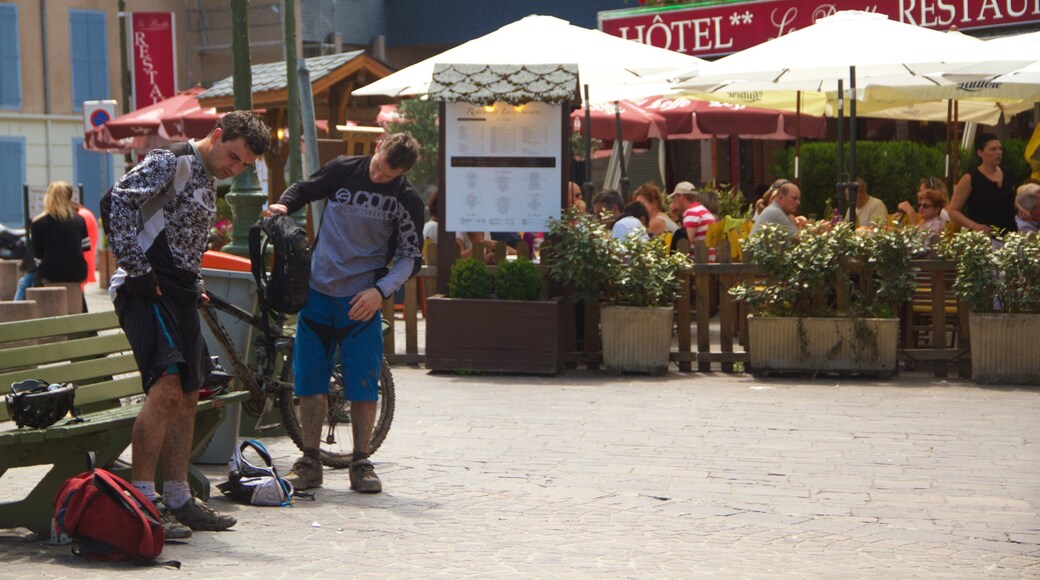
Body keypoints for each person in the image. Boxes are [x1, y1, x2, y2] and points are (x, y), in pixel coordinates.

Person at [107, 111, 271, 538]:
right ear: (216, 136)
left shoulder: (208, 178)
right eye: (232, 157)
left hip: (179, 291)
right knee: (164, 387)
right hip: (145, 289)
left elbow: (184, 242)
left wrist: (195, 282)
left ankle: (179, 496)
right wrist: (136, 267)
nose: (234, 169)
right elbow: (117, 200)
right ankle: (144, 500)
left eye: (243, 166)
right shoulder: (172, 161)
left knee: (188, 392)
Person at [269, 132, 424, 494]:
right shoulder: (343, 170)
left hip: (361, 301)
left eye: (390, 176)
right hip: (318, 294)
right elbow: (304, 190)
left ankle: (361, 462)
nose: (380, 178)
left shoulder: (406, 199)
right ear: (376, 148)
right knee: (309, 382)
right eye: (380, 168)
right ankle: (309, 460)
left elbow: (411, 257)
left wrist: (380, 291)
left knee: (363, 385)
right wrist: (282, 206)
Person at [949, 132, 1018, 235]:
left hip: (1009, 235)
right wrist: (974, 226)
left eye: (1000, 149)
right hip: (985, 237)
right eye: (993, 149)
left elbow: (1008, 200)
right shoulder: (971, 178)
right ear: (980, 153)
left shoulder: (1007, 173)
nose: (998, 153)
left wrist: (1020, 208)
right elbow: (953, 210)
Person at [29, 181, 89, 290]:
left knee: (29, 281)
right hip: (78, 272)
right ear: (69, 197)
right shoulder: (79, 219)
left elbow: (37, 255)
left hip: (50, 272)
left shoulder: (38, 222)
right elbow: (85, 247)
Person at [669, 181, 716, 252]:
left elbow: (684, 244)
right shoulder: (702, 210)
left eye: (675, 198)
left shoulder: (692, 213)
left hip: (698, 260)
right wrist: (676, 218)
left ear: (681, 197)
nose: (674, 201)